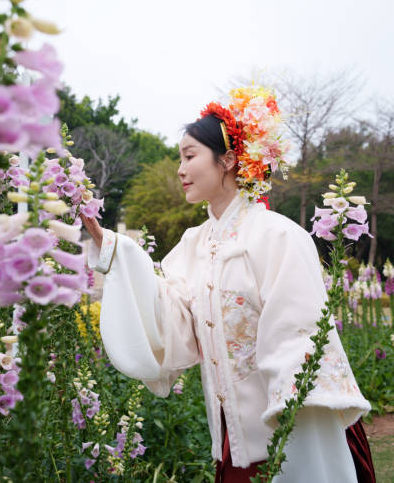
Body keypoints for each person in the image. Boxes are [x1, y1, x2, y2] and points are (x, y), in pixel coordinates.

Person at [82, 86, 375, 482]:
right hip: (232, 440)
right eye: (179, 159)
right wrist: (117, 252)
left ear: (229, 160)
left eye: (189, 156)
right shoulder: (194, 244)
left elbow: (297, 334)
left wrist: (288, 429)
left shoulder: (278, 236)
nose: (180, 170)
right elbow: (176, 322)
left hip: (292, 430)